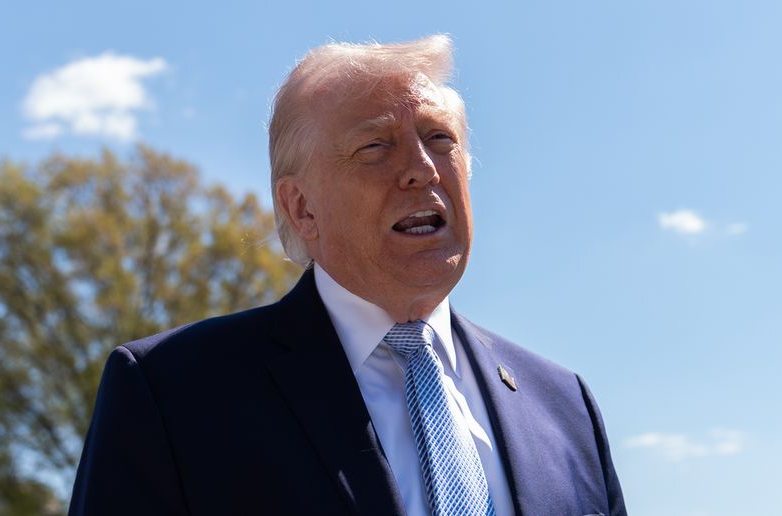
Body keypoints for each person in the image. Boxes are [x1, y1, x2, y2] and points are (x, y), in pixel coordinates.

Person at [69, 35, 626, 516]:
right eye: (375, 146)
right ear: (301, 209)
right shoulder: (172, 394)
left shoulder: (564, 405)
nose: (422, 168)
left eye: (440, 138)